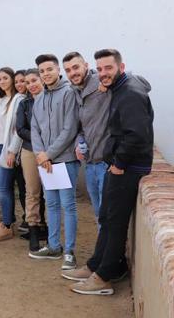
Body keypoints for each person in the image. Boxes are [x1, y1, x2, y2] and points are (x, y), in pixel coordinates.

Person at [66, 49, 153, 296]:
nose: (103, 73)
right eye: (100, 68)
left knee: (114, 221)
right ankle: (96, 265)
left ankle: (104, 277)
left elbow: (137, 134)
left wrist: (120, 163)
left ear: (121, 67)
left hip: (128, 167)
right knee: (106, 217)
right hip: (120, 165)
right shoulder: (121, 88)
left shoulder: (130, 93)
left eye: (108, 68)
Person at [29, 54, 80, 270]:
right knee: (51, 204)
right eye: (42, 71)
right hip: (46, 162)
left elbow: (70, 129)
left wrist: (48, 154)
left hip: (65, 159)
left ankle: (69, 251)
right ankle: (53, 246)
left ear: (58, 69)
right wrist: (41, 155)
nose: (46, 74)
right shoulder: (39, 98)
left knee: (68, 205)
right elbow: (35, 129)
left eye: (49, 69)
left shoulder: (69, 93)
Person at [62, 52, 110, 224]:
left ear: (86, 65)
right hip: (90, 163)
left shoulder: (101, 81)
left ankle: (109, 251)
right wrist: (78, 143)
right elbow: (81, 127)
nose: (72, 72)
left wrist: (114, 83)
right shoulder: (74, 91)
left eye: (76, 67)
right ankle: (103, 250)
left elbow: (142, 84)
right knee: (98, 213)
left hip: (108, 162)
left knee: (107, 214)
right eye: (68, 70)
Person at [0, 68, 25, 242]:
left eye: (5, 78)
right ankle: (5, 221)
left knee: (3, 187)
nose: (1, 81)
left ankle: (8, 225)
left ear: (12, 79)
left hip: (8, 147)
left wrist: (12, 150)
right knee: (3, 187)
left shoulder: (18, 99)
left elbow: (18, 128)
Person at [15, 69, 48, 251]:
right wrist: (38, 138)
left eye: (34, 80)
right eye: (27, 82)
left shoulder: (52, 100)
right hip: (30, 151)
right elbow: (20, 128)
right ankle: (33, 229)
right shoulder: (25, 104)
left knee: (51, 194)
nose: (31, 85)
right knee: (32, 192)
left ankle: (49, 231)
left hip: (52, 152)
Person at [11, 69, 28, 232]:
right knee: (22, 187)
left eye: (22, 81)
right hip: (17, 150)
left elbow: (20, 129)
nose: (20, 84)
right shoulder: (17, 100)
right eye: (16, 82)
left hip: (27, 148)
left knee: (31, 188)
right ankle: (27, 218)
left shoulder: (28, 101)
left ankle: (34, 220)